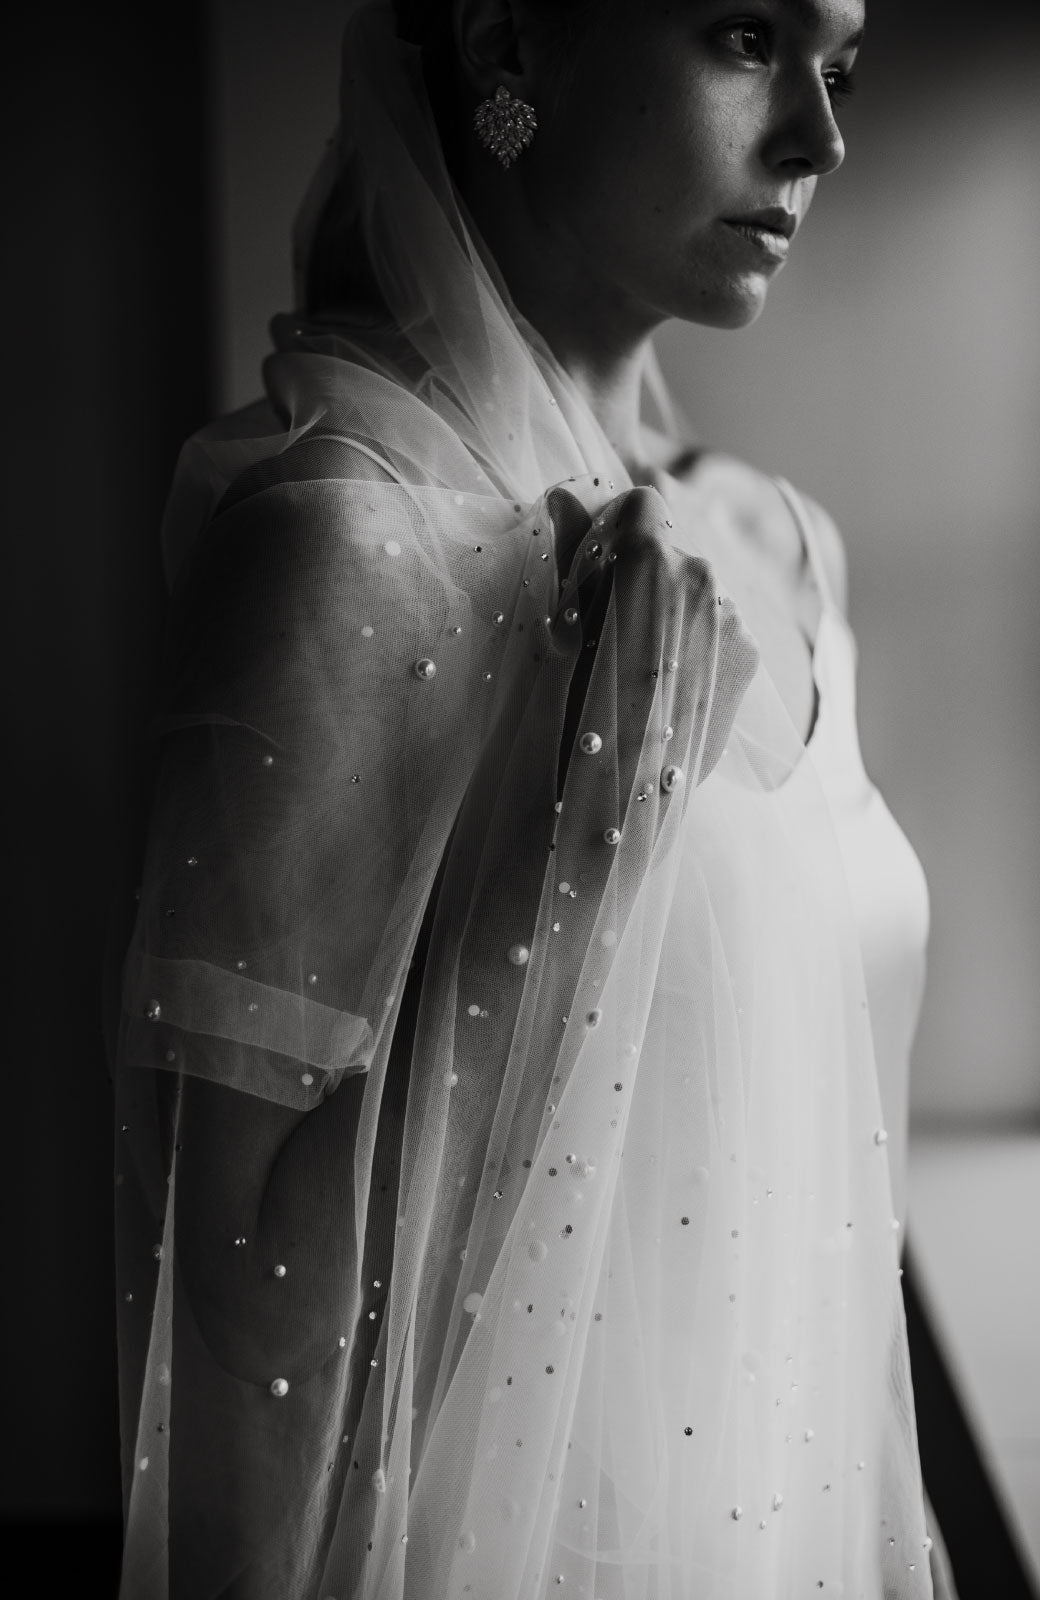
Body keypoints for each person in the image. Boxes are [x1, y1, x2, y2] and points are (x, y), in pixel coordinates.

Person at [113, 2, 952, 1595]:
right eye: (746, 36)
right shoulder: (342, 549)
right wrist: (576, 848)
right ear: (509, 43)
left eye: (840, 66)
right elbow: (241, 1353)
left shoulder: (786, 546)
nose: (821, 138)